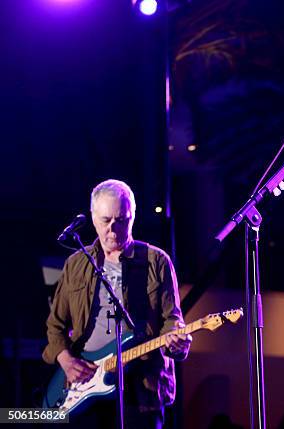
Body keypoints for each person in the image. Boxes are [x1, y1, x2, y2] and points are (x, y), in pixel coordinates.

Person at [43, 179, 192, 429]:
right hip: (86, 386)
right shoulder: (76, 264)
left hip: (140, 389)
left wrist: (177, 341)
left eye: (121, 220)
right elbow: (55, 325)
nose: (113, 228)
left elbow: (172, 321)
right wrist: (67, 361)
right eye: (106, 220)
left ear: (132, 217)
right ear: (93, 217)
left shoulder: (156, 261)